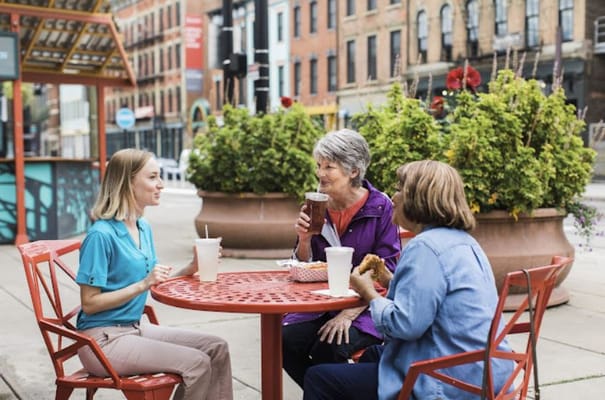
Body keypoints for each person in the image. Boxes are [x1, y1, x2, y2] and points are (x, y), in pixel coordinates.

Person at [302, 160, 515, 400]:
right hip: (482, 371)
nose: (393, 196)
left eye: (400, 188)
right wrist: (388, 280)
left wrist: (370, 293)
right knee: (374, 354)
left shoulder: (425, 247)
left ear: (419, 199)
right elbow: (431, 300)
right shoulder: (464, 242)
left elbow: (404, 326)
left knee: (319, 378)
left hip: (447, 381)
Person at [75, 148, 233, 400]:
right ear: (128, 182)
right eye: (152, 177)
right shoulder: (101, 235)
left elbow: (154, 281)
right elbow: (90, 303)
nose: (161, 184)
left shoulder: (142, 226)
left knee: (217, 348)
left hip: (135, 327)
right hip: (102, 340)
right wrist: (143, 284)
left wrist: (190, 268)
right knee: (197, 363)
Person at [283, 129, 402, 388]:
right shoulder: (316, 206)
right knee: (283, 340)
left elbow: (387, 269)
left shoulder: (381, 207)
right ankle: (326, 391)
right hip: (321, 305)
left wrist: (348, 314)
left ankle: (327, 390)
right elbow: (304, 266)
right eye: (319, 165)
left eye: (330, 167)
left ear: (353, 171)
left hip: (366, 306)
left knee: (331, 347)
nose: (320, 174)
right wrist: (303, 239)